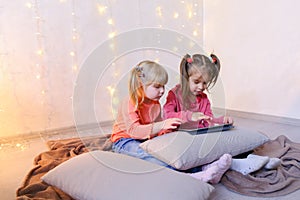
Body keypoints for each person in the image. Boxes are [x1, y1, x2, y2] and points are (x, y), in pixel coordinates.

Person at [110, 60, 232, 184]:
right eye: (157, 86)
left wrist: (167, 134)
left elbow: (157, 129)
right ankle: (187, 177)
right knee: (151, 158)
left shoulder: (155, 103)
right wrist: (163, 125)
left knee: (173, 153)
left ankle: (204, 168)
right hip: (125, 141)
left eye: (163, 86)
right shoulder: (129, 102)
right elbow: (134, 131)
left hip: (146, 139)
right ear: (140, 85)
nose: (162, 91)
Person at [163, 53, 281, 176]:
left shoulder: (203, 98)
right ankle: (235, 164)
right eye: (196, 82)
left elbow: (209, 119)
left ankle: (251, 161)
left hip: (201, 135)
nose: (201, 87)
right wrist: (189, 116)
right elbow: (167, 116)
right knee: (197, 156)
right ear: (185, 77)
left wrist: (220, 121)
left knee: (225, 144)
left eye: (205, 83)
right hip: (182, 137)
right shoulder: (174, 94)